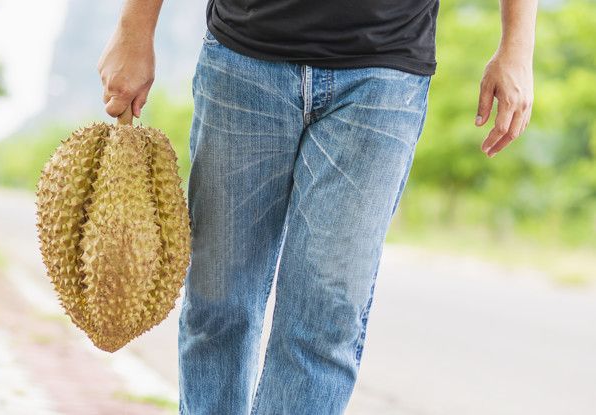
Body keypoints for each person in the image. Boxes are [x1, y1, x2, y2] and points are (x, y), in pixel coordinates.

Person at [97, 0, 537, 413]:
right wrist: (135, 27)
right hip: (243, 55)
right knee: (217, 305)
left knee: (324, 320)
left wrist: (517, 46)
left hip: (383, 71)